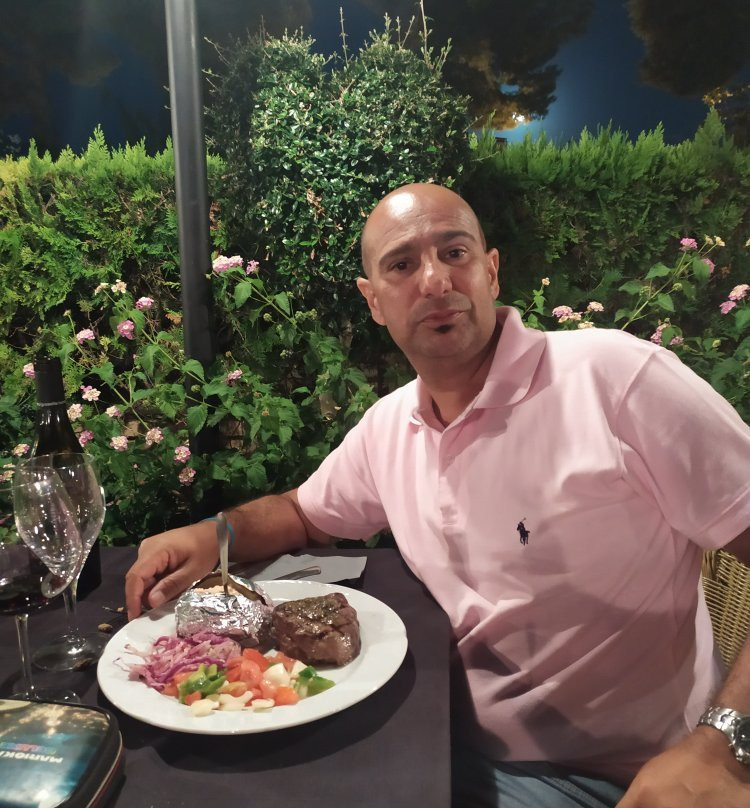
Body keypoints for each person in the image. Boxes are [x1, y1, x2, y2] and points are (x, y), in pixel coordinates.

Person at [126, 183, 750, 807]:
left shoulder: (616, 380)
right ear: (374, 301)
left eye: (454, 253)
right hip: (428, 728)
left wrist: (721, 746)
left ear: (491, 271)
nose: (434, 281)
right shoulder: (390, 426)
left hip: (604, 774)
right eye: (402, 264)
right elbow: (303, 513)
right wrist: (214, 535)